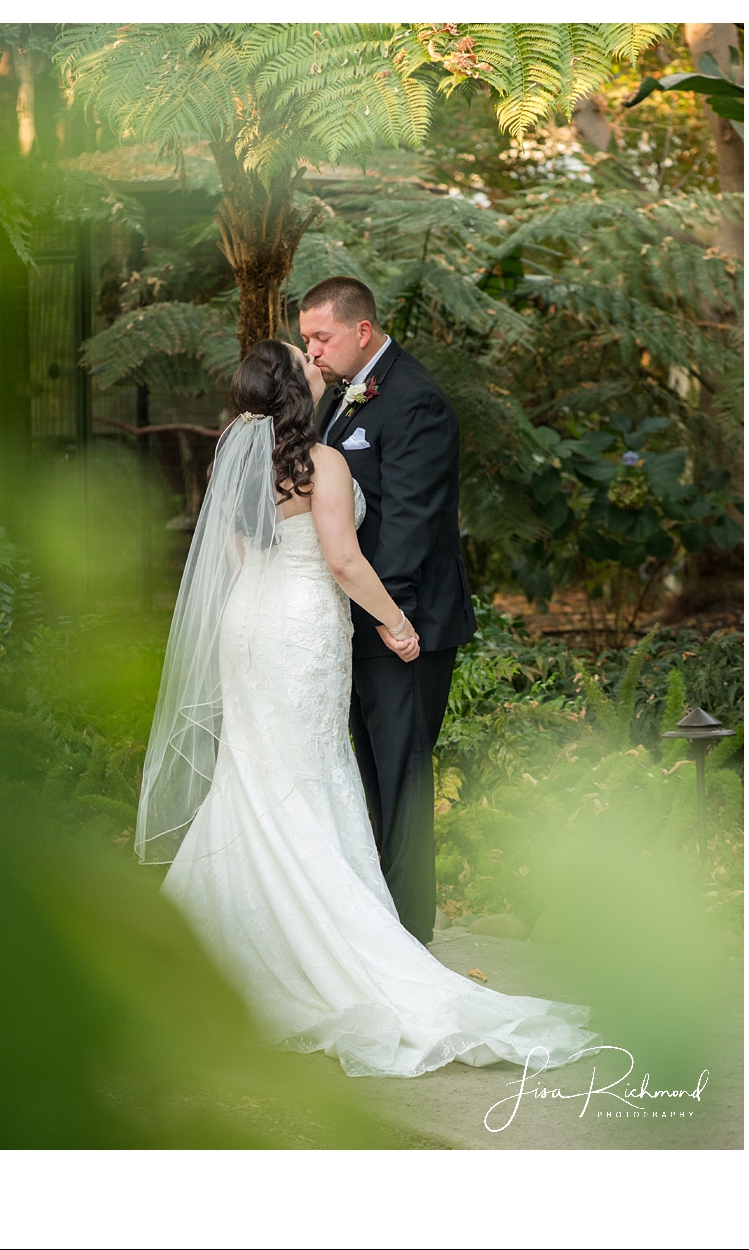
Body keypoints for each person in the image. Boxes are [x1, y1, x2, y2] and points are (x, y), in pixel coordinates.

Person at [136, 340, 595, 1077]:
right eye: (305, 359)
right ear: (293, 386)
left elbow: (233, 557)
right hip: (301, 626)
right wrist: (398, 623)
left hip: (247, 624)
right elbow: (345, 561)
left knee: (252, 775)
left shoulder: (232, 452)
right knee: (308, 769)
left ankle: (226, 948)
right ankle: (326, 942)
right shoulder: (324, 464)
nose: (317, 362)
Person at [299, 276, 479, 942]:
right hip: (361, 618)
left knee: (402, 778)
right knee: (370, 770)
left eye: (322, 336)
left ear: (362, 331)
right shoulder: (342, 398)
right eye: (306, 337)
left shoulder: (416, 401)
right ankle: (381, 923)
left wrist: (385, 618)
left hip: (406, 625)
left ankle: (410, 933)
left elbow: (409, 523)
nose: (311, 349)